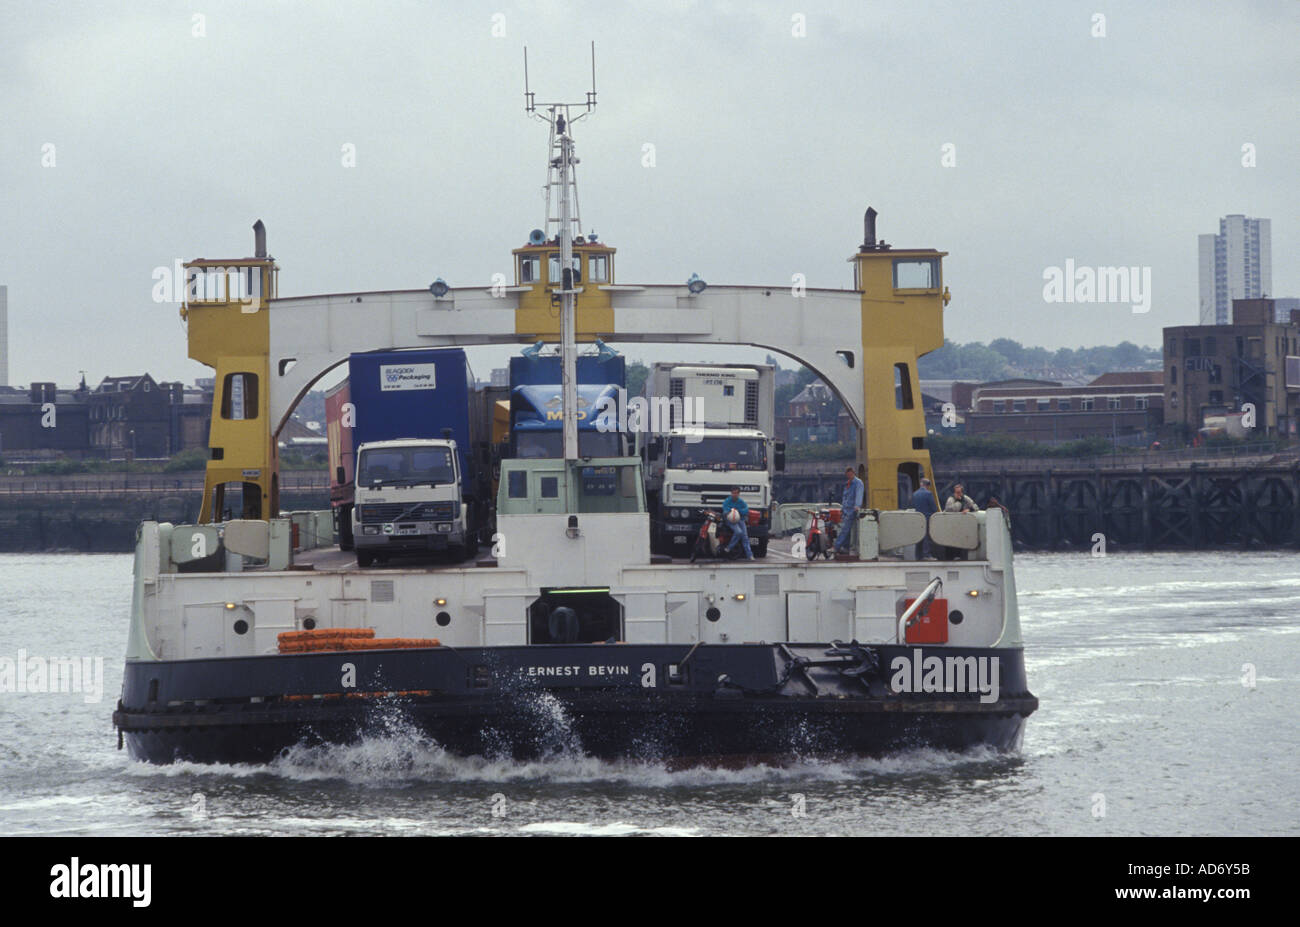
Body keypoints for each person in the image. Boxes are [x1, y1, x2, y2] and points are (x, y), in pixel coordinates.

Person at [834, 466, 864, 555]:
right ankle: (845, 549)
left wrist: (857, 506)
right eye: (848, 475)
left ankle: (836, 546)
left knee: (845, 529)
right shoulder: (848, 483)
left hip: (852, 509)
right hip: (846, 509)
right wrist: (842, 509)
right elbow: (845, 497)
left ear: (853, 473)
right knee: (846, 530)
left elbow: (859, 494)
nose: (849, 476)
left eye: (850, 474)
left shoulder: (858, 483)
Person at [721, 487, 754, 559]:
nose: (734, 494)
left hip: (740, 520)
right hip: (731, 521)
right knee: (738, 532)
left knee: (745, 537)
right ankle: (729, 547)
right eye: (733, 493)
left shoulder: (741, 502)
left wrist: (738, 511)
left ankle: (750, 555)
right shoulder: (727, 501)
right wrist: (731, 511)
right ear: (731, 493)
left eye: (736, 493)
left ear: (739, 494)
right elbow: (725, 510)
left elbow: (746, 510)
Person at [910, 477, 938, 559]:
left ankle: (918, 555)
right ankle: (927, 555)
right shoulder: (928, 494)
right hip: (927, 517)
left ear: (921, 484)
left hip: (918, 518)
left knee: (919, 536)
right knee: (926, 537)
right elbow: (933, 507)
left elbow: (912, 505)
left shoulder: (915, 494)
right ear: (928, 485)